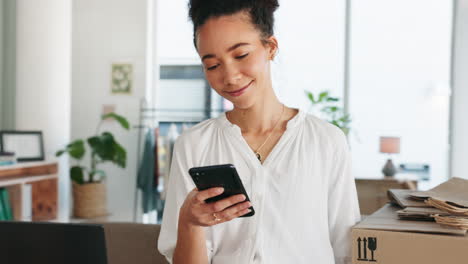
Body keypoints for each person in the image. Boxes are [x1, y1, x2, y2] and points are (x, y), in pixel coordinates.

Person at [158, 0, 361, 263]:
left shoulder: (326, 141)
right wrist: (189, 224)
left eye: (241, 55)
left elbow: (346, 249)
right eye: (212, 65)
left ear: (271, 48)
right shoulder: (193, 144)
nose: (230, 76)